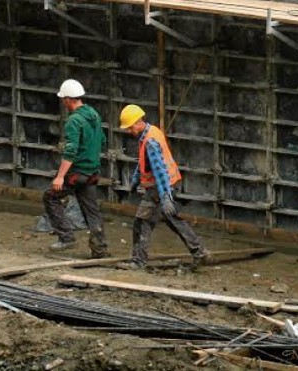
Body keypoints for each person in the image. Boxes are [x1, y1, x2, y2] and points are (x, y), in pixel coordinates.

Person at [117, 104, 210, 270]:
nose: (128, 131)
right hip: (164, 185)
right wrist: (136, 179)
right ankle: (199, 251)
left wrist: (165, 197)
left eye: (130, 127)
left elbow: (160, 172)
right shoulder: (150, 132)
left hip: (157, 189)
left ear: (138, 122)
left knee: (141, 222)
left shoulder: (150, 141)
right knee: (173, 220)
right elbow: (145, 162)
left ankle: (138, 261)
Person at [43, 79, 109, 258]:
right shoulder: (94, 115)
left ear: (69, 99)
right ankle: (99, 248)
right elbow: (102, 141)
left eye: (64, 99)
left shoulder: (74, 120)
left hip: (76, 173)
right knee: (91, 210)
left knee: (50, 197)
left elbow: (71, 151)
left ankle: (66, 237)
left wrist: (60, 177)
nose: (63, 102)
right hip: (92, 172)